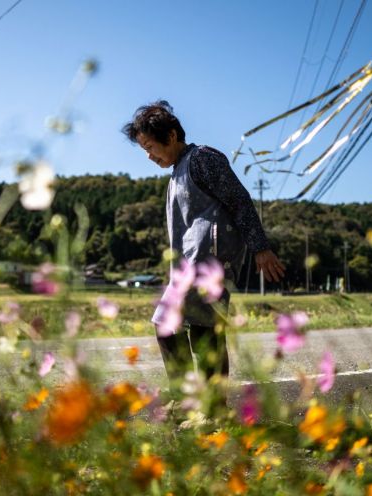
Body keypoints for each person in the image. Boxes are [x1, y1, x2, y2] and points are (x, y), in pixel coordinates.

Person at [122, 101, 285, 401]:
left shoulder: (202, 158)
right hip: (188, 268)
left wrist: (260, 247)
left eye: (150, 146)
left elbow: (239, 200)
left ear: (171, 136)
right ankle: (192, 402)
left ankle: (207, 409)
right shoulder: (177, 173)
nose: (148, 155)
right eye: (143, 148)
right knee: (184, 328)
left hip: (210, 264)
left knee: (197, 331)